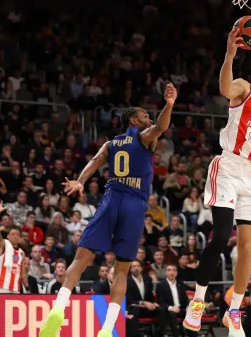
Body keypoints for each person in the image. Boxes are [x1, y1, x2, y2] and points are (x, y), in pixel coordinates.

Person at [40, 84, 177, 337]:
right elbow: (161, 127)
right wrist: (169, 105)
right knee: (122, 270)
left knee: (80, 259)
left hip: (112, 197)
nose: (148, 116)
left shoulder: (112, 143)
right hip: (135, 203)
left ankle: (58, 309)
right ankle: (107, 328)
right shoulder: (144, 136)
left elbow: (94, 162)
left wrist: (80, 181)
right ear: (135, 120)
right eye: (145, 114)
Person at [184, 27, 251, 337]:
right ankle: (199, 303)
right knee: (220, 237)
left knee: (247, 249)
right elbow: (224, 88)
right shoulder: (245, 88)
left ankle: (235, 312)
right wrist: (230, 54)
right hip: (230, 165)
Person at [0, 198, 29, 294]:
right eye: (13, 234)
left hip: (16, 289)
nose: (15, 236)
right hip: (3, 287)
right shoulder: (4, 245)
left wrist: (27, 288)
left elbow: (23, 273)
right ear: (8, 236)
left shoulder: (21, 252)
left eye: (17, 234)